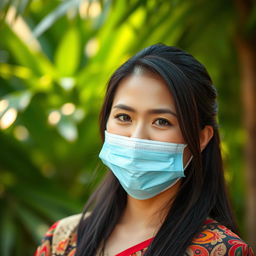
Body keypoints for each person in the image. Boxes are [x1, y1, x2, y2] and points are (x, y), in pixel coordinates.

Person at [35, 44, 254, 256]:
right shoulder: (62, 240)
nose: (137, 138)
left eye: (161, 121)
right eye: (124, 117)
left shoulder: (222, 250)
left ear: (201, 138)